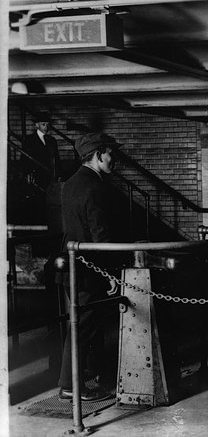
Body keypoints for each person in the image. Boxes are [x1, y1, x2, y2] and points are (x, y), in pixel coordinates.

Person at [57, 132, 124, 402]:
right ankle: (70, 386)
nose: (114, 159)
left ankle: (82, 378)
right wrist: (111, 274)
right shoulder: (95, 187)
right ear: (98, 155)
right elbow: (100, 237)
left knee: (81, 325)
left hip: (72, 268)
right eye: (111, 154)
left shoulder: (71, 184)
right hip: (89, 270)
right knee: (83, 328)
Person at [22, 111, 61, 190]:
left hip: (50, 175)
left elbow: (57, 158)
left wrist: (59, 173)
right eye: (43, 124)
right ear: (37, 125)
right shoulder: (29, 140)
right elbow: (25, 158)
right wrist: (28, 173)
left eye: (47, 125)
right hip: (36, 175)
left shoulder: (52, 140)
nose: (46, 127)